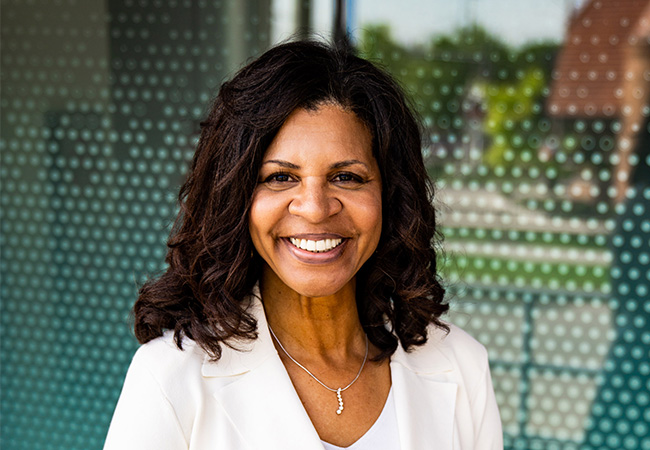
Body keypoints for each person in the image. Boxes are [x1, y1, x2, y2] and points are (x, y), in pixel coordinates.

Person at [103, 40, 503, 450]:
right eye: (280, 177)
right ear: (236, 196)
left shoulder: (461, 365)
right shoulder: (170, 379)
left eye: (347, 176)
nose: (314, 209)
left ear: (389, 197)